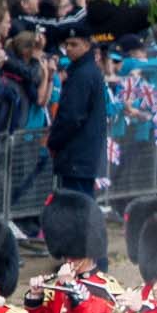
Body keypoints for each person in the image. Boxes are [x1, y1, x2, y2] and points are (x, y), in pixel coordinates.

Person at [22, 191, 114, 313]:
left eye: (73, 255)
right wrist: (35, 296)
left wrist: (73, 288)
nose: (68, 260)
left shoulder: (105, 288)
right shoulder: (58, 285)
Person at [46, 32, 108, 197]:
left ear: (86, 46)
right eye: (67, 45)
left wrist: (54, 141)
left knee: (77, 205)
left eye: (74, 44)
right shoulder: (83, 71)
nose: (69, 49)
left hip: (77, 153)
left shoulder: (83, 75)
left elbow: (72, 116)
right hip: (82, 153)